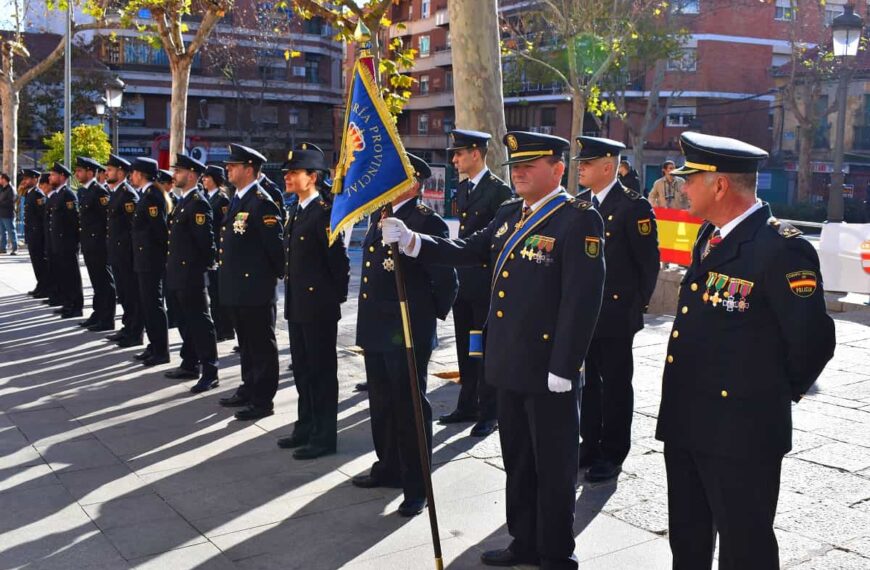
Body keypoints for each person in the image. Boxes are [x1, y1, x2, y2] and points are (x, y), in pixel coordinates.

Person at [381, 132, 605, 568]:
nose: (518, 172)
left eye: (530, 165)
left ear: (558, 169)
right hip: (509, 363)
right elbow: (468, 248)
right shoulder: (508, 213)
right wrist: (413, 241)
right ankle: (523, 540)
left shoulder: (577, 219)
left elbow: (582, 300)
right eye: (515, 166)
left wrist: (565, 364)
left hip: (548, 370)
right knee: (518, 461)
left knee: (555, 468)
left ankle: (557, 552)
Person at [655, 132, 836, 570]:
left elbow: (813, 341)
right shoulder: (709, 235)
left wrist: (764, 396)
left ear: (719, 185)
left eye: (691, 178)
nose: (682, 187)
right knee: (688, 538)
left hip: (742, 430)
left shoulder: (781, 247)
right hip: (687, 420)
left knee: (745, 546)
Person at [351, 153, 458, 518]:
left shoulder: (426, 221)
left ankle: (417, 487)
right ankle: (388, 467)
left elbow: (446, 281)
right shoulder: (378, 215)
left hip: (406, 328)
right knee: (382, 403)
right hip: (376, 327)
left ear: (414, 182)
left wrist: (425, 320)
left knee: (410, 406)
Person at [575, 136, 660, 483]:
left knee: (615, 384)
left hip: (616, 312)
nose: (580, 167)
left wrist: (634, 306)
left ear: (608, 166)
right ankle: (589, 442)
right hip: (585, 313)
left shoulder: (633, 206)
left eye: (588, 163)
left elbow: (648, 264)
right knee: (588, 383)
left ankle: (613, 451)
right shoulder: (580, 204)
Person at [276, 143, 350, 459]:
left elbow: (339, 264)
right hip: (297, 306)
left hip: (318, 308)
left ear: (313, 176)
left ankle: (324, 436)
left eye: (294, 173)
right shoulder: (296, 210)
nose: (288, 178)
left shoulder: (324, 213)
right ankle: (305, 426)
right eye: (287, 173)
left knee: (321, 373)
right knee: (303, 371)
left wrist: (331, 301)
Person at [438, 129, 512, 438]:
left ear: (476, 154)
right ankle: (466, 403)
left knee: (484, 350)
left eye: (458, 153)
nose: (454, 159)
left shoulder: (498, 191)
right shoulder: (464, 188)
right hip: (464, 283)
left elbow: (501, 239)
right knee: (466, 350)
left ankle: (489, 412)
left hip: (486, 284)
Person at [217, 144, 284, 421]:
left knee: (261, 346)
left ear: (248, 169)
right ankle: (248, 387)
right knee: (245, 343)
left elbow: (276, 251)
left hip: (255, 289)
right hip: (237, 288)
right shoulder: (237, 199)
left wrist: (265, 281)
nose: (228, 169)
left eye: (233, 165)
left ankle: (262, 400)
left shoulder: (261, 202)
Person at [164, 153, 220, 393]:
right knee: (184, 320)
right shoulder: (183, 201)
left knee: (199, 322)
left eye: (178, 171)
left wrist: (200, 271)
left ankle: (210, 370)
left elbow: (205, 244)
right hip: (177, 271)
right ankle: (189, 362)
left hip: (191, 275)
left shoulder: (198, 202)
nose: (174, 175)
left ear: (192, 174)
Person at [129, 157, 170, 364]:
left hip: (151, 260)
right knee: (147, 304)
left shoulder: (153, 196)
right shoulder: (147, 194)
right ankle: (153, 345)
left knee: (153, 305)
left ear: (140, 174)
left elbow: (159, 231)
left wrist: (157, 258)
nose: (131, 176)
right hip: (144, 259)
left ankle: (161, 351)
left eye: (133, 172)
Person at [105, 155, 144, 347]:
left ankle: (135, 332)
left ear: (121, 172)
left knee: (131, 294)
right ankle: (127, 327)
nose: (106, 173)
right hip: (117, 253)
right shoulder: (116, 192)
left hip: (127, 254)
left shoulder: (128, 195)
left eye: (110, 170)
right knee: (124, 293)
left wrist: (130, 253)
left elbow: (132, 228)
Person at [75, 157, 117, 331]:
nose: (77, 173)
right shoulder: (85, 191)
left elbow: (106, 220)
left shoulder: (99, 192)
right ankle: (98, 313)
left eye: (80, 171)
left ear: (90, 172)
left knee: (104, 281)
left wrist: (103, 242)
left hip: (99, 244)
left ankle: (107, 318)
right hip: (89, 244)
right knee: (96, 281)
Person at [46, 163, 84, 318]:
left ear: (62, 176)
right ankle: (68, 303)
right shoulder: (58, 195)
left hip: (67, 243)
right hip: (59, 243)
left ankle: (76, 306)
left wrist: (72, 242)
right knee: (63, 275)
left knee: (71, 275)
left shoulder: (68, 195)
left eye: (53, 175)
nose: (50, 177)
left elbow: (73, 221)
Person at [201, 165, 234, 342]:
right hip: (212, 252)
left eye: (207, 177)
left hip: (219, 253)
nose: (204, 180)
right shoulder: (207, 197)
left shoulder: (222, 200)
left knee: (219, 294)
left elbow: (223, 226)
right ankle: (220, 326)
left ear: (215, 179)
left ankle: (225, 329)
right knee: (213, 293)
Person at [21, 169, 47, 297]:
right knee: (36, 262)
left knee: (40, 262)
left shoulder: (38, 194)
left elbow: (43, 216)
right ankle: (40, 284)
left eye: (27, 178)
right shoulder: (29, 193)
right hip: (31, 233)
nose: (25, 181)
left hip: (38, 234)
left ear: (35, 179)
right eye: (24, 178)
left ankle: (44, 287)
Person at [0, 172, 18, 255]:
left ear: (4, 179)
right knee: (2, 232)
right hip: (1, 213)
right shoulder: (2, 188)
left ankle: (15, 248)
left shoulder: (11, 189)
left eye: (0, 178)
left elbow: (11, 202)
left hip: (8, 214)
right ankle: (3, 248)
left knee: (11, 231)